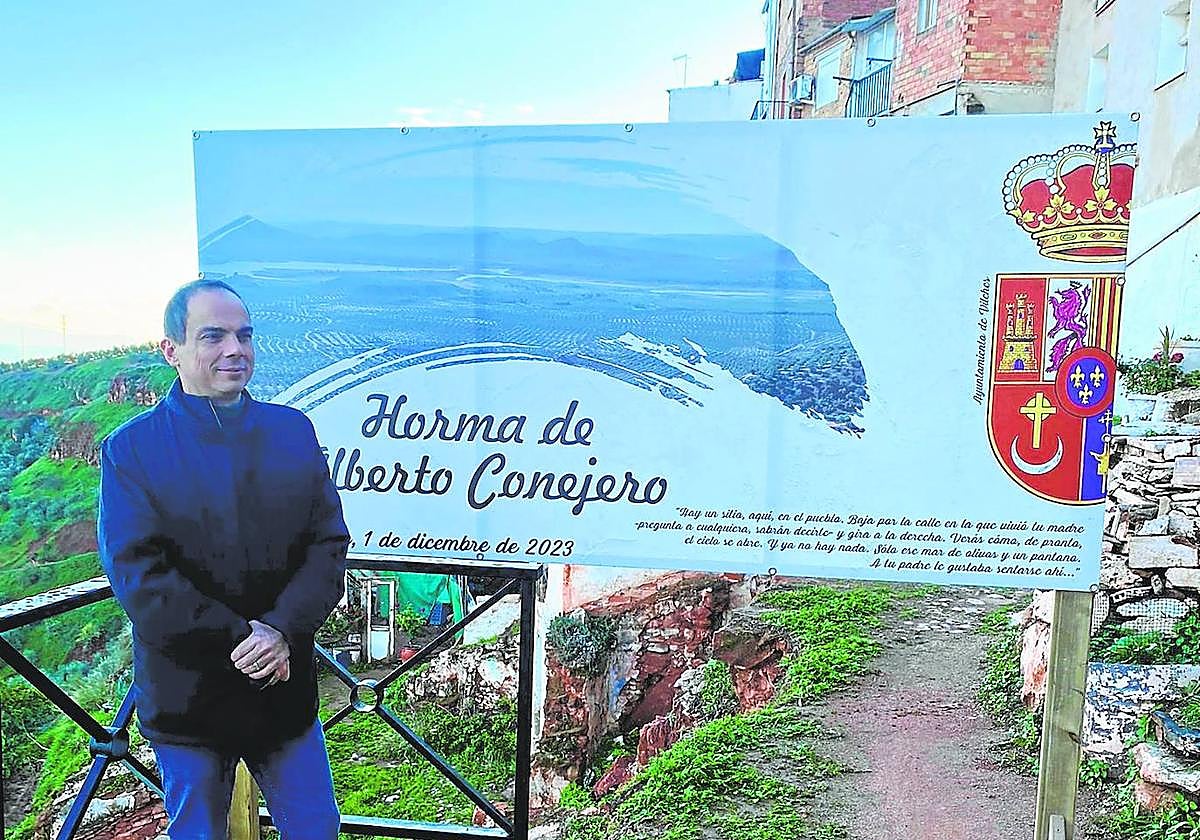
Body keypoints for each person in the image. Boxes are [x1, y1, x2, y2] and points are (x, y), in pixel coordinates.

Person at [99, 279, 349, 838]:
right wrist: (250, 639)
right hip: (189, 703)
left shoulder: (291, 431)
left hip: (283, 694)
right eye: (213, 336)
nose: (234, 349)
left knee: (317, 829)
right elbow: (141, 578)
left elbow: (328, 546)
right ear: (172, 350)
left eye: (244, 335)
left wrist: (281, 630)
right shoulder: (133, 450)